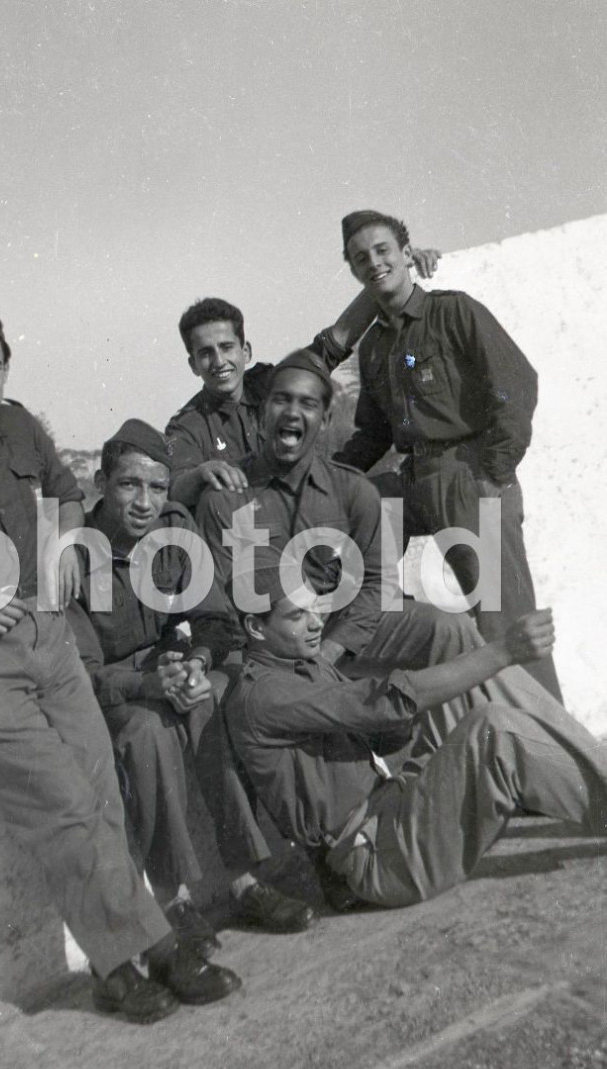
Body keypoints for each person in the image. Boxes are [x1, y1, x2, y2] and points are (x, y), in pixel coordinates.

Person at [0, 303, 240, 1024]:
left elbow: (61, 491)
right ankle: (128, 962)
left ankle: (143, 949)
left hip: (49, 639)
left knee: (102, 798)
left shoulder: (22, 427)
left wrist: (60, 553)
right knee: (63, 812)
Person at [196, 347, 539, 905]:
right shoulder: (228, 501)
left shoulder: (352, 488)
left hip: (340, 635)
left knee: (445, 628)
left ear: (324, 420)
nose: (293, 412)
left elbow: (377, 585)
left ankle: (485, 772)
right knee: (224, 704)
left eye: (308, 403)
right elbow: (249, 601)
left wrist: (330, 650)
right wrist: (307, 656)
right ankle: (299, 859)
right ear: (261, 413)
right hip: (279, 649)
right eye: (281, 399)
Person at [224, 546, 605, 910]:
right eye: (296, 616)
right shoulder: (264, 694)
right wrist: (502, 651)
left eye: (315, 607)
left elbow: (384, 733)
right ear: (256, 628)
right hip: (380, 858)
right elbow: (382, 703)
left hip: (393, 808)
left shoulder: (302, 662)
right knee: (494, 729)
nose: (316, 622)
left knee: (468, 683)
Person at [66, 419, 315, 946]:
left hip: (169, 666)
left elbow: (216, 619)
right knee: (147, 735)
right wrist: (149, 685)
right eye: (128, 485)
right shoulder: (76, 556)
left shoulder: (175, 530)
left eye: (157, 487)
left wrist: (198, 662)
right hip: (116, 688)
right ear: (101, 484)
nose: (144, 502)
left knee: (210, 706)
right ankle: (174, 899)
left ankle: (245, 881)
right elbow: (83, 675)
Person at [334, 209, 561, 701]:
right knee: (344, 536)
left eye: (381, 250)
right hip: (414, 479)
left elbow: (517, 386)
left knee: (506, 624)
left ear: (405, 253)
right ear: (352, 270)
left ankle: (560, 758)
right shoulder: (372, 347)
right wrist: (326, 481)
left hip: (469, 473)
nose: (373, 263)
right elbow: (373, 434)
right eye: (360, 258)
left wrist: (493, 474)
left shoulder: (453, 312)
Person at [166, 245, 441, 511]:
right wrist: (202, 474)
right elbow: (175, 487)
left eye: (226, 348)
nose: (218, 362)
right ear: (193, 364)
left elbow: (338, 339)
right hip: (252, 536)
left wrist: (395, 272)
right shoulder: (188, 425)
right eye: (205, 354)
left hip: (309, 513)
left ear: (245, 351)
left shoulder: (275, 383)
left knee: (390, 495)